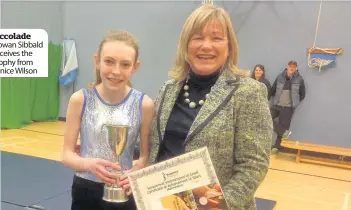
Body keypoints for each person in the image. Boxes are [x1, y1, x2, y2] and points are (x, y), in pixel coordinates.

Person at [147, 4, 273, 210]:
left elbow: (253, 166)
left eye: (216, 38)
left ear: (229, 46)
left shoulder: (249, 92)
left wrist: (216, 206)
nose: (206, 46)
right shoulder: (168, 89)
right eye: (197, 37)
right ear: (185, 45)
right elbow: (154, 148)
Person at [61, 30, 154, 210]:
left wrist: (133, 173)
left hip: (125, 189)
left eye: (125, 64)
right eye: (109, 62)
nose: (116, 71)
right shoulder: (80, 100)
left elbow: (145, 157)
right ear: (97, 61)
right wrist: (90, 164)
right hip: (86, 189)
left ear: (135, 67)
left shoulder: (145, 104)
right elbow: (66, 155)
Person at [270, 60, 305, 154]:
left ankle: (276, 148)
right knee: (266, 118)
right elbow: (273, 89)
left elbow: (302, 94)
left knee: (284, 125)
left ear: (296, 68)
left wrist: (294, 103)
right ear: (287, 66)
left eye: (294, 66)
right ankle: (283, 132)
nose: (292, 68)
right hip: (276, 105)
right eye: (290, 66)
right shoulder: (280, 77)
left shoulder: (300, 79)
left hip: (288, 108)